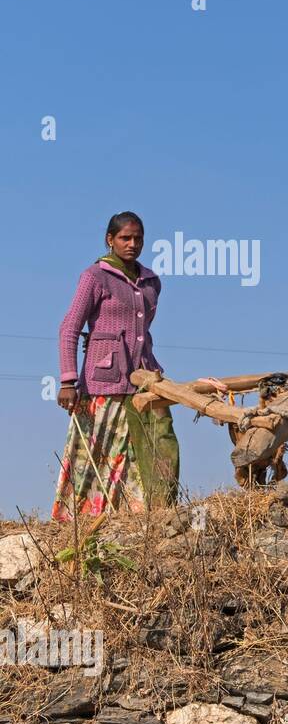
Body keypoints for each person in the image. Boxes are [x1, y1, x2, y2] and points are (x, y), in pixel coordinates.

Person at [51, 212, 180, 522]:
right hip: (103, 384)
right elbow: (69, 327)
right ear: (110, 240)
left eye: (138, 238)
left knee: (150, 450)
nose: (132, 244)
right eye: (125, 238)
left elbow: (141, 332)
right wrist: (68, 381)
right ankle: (81, 520)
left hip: (142, 382)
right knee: (94, 458)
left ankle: (143, 517)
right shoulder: (95, 277)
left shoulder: (151, 282)